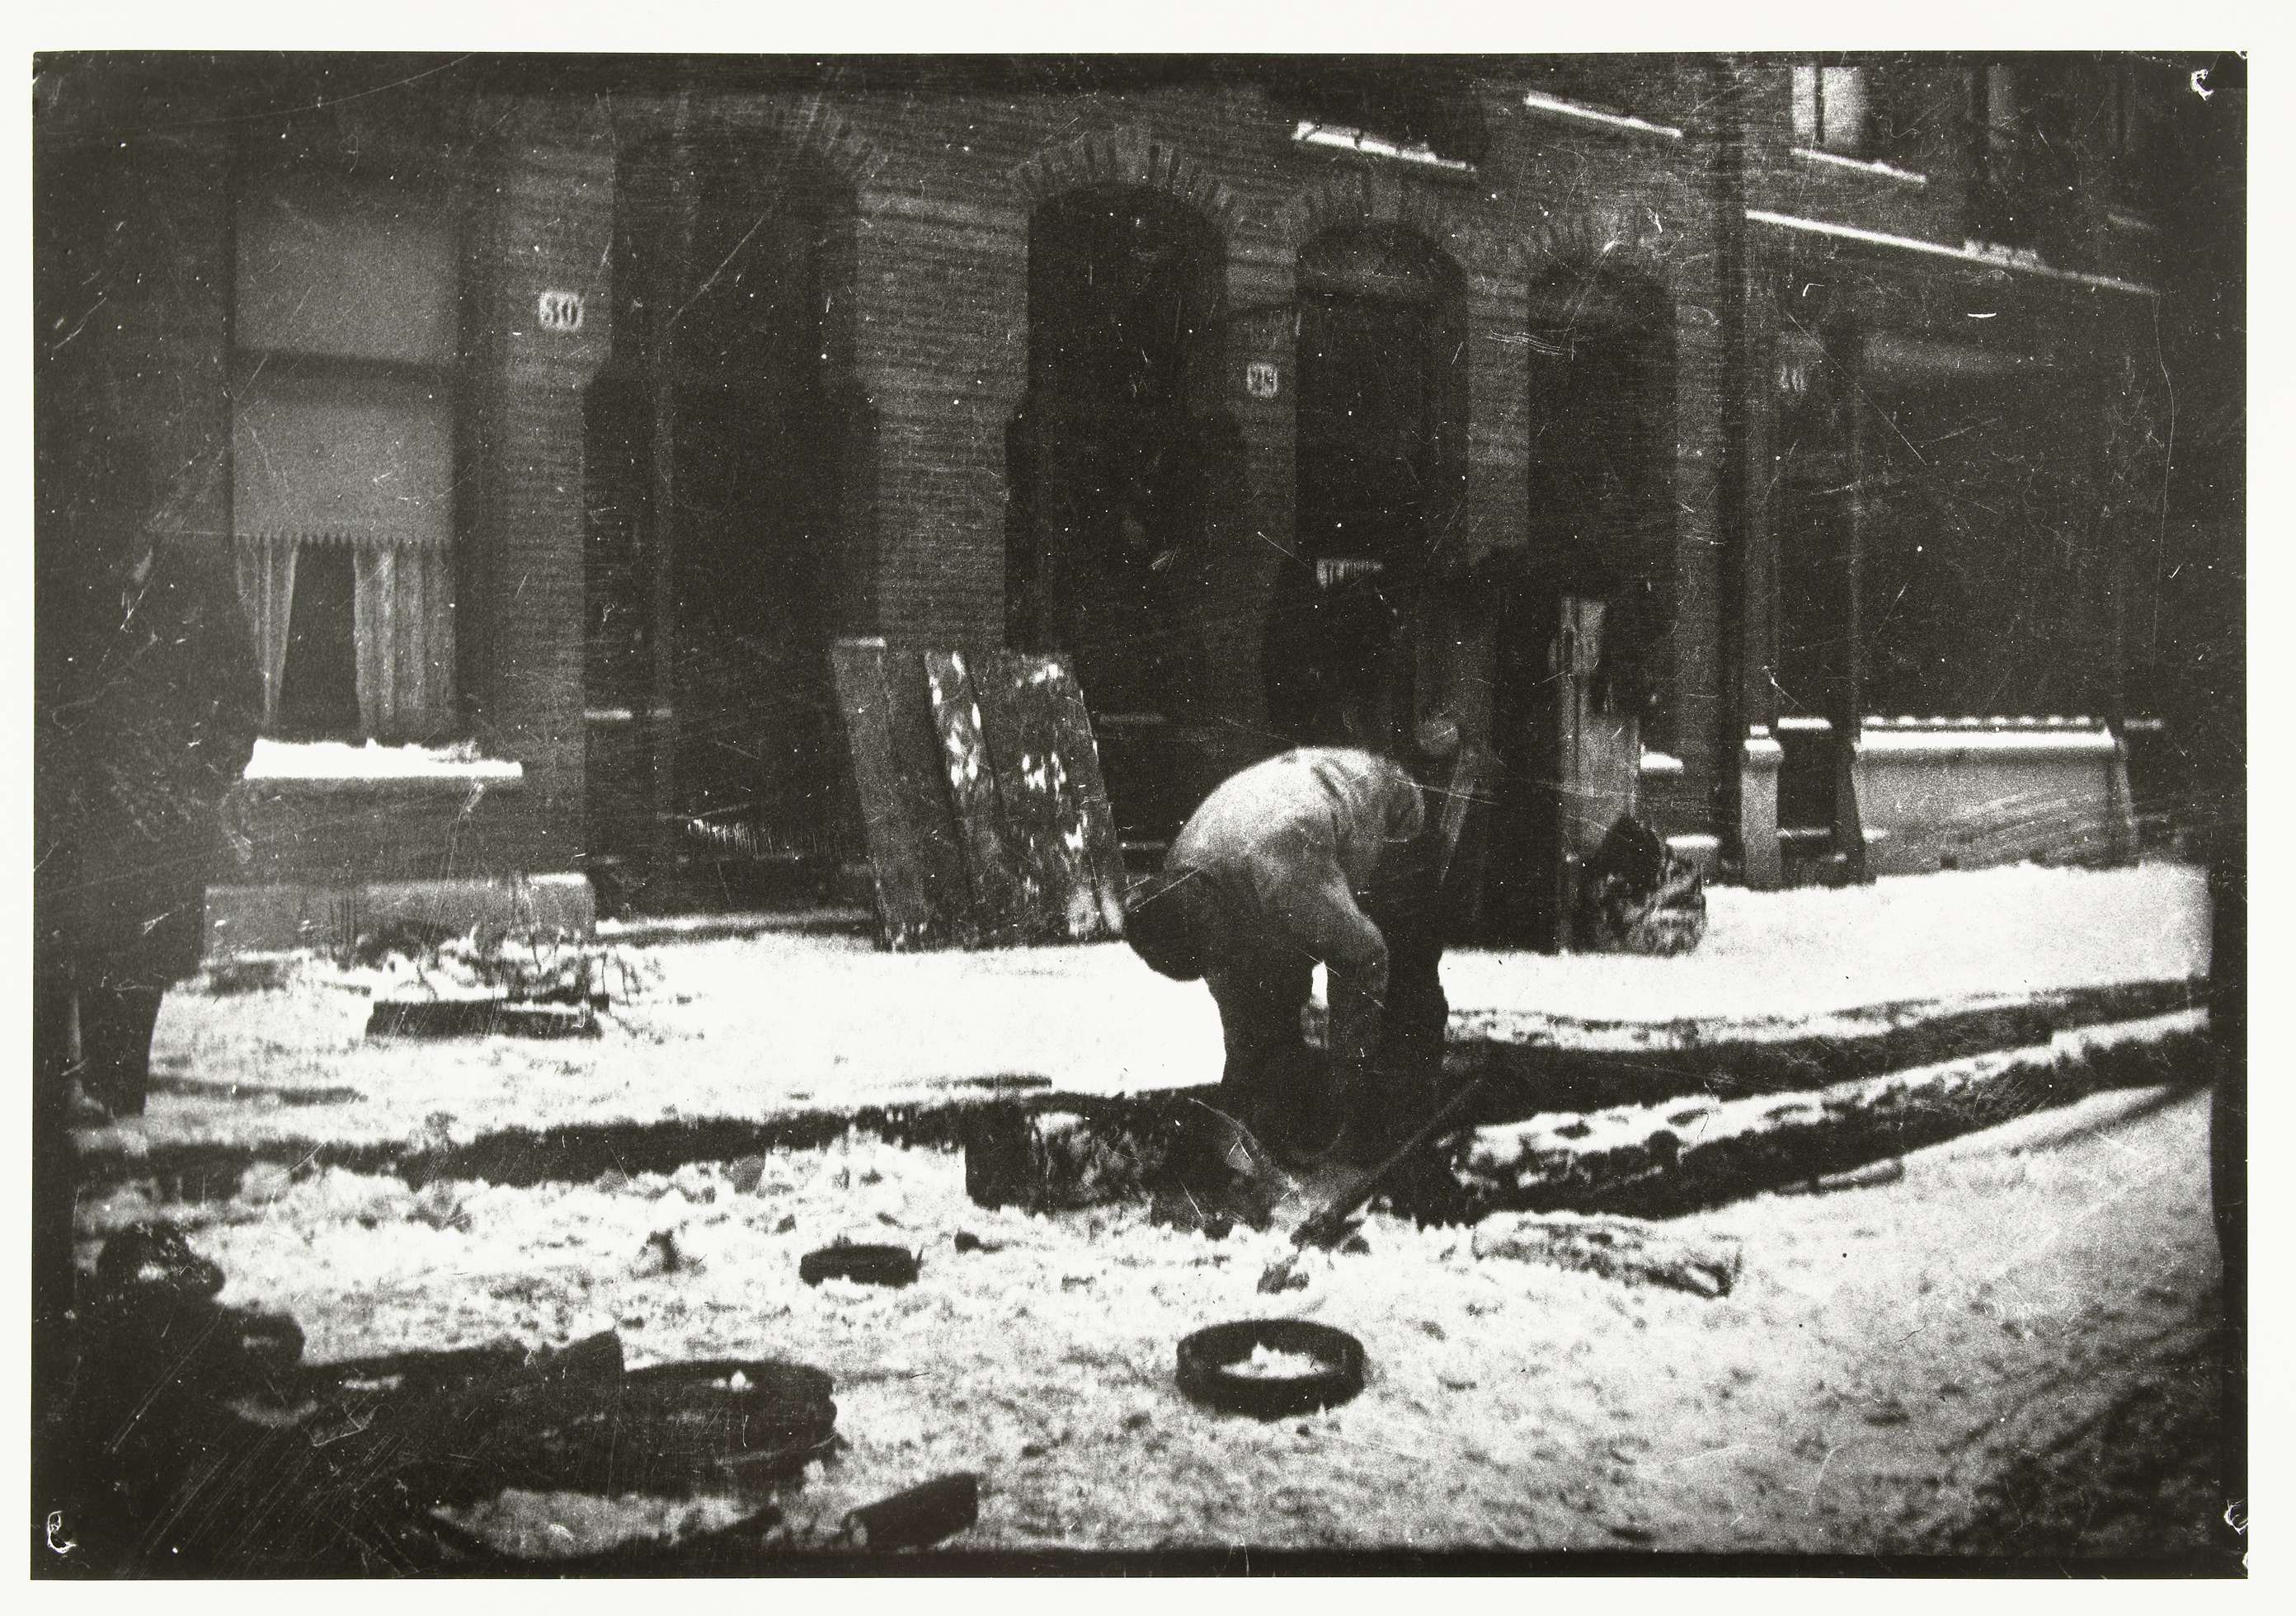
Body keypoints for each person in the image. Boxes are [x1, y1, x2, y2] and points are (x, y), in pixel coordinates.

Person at [1123, 735, 1455, 1166]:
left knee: (1401, 985)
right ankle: (1303, 1122)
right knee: (1266, 1003)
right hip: (1289, 820)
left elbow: (1364, 955)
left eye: (1217, 952)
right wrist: (1239, 1099)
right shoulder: (1186, 887)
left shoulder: (1282, 875)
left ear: (1212, 914)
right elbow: (1242, 1011)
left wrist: (1345, 1073)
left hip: (1387, 808)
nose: (1220, 965)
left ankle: (1405, 1139)